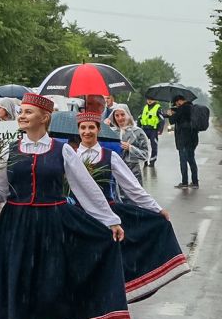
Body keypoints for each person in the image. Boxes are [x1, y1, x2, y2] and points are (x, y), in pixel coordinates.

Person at [0, 95, 130, 319]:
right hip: (17, 226)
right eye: (21, 112)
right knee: (24, 289)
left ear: (44, 118)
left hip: (53, 224)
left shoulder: (62, 151)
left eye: (29, 112)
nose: (22, 116)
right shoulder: (10, 151)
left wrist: (111, 220)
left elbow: (86, 189)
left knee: (52, 286)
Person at [74, 113, 190, 302]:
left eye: (91, 127)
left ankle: (107, 299)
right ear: (78, 130)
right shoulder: (70, 156)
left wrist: (156, 209)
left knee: (106, 260)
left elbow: (132, 188)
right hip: (79, 217)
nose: (87, 132)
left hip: (106, 218)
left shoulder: (109, 156)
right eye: (83, 128)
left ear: (98, 129)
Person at [108, 103, 150, 181]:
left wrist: (131, 148)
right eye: (117, 115)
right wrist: (104, 129)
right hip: (115, 174)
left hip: (133, 173)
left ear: (128, 115)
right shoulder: (111, 132)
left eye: (122, 114)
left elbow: (145, 154)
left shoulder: (137, 132)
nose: (120, 118)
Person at [169, 95, 199, 189]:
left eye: (176, 103)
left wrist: (171, 114)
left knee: (183, 160)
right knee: (191, 160)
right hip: (193, 138)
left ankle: (184, 182)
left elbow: (172, 121)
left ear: (179, 101)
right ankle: (195, 182)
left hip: (184, 139)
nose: (176, 105)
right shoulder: (192, 108)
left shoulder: (182, 109)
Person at [139, 97, 164, 168]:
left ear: (155, 100)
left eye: (151, 99)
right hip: (144, 129)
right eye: (148, 99)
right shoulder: (144, 108)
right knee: (143, 146)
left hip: (153, 130)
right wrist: (138, 128)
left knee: (154, 146)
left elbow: (162, 119)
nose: (149, 101)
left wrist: (160, 129)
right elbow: (139, 118)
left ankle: (152, 161)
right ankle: (145, 160)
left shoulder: (158, 107)